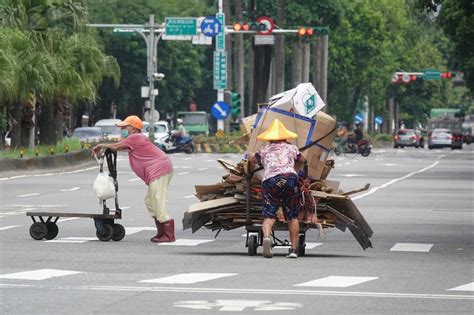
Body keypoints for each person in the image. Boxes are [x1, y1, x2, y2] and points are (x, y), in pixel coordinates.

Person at [91, 115, 175, 243]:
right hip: (159, 170)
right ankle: (161, 232)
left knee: (157, 200)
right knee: (150, 201)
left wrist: (100, 145)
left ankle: (169, 235)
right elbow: (121, 146)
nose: (124, 128)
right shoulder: (135, 138)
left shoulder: (135, 137)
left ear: (134, 128)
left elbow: (116, 146)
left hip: (159, 170)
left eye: (126, 126)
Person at [249, 119, 304, 259]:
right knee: (292, 216)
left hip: (271, 181)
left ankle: (267, 237)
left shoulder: (264, 149)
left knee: (269, 215)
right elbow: (302, 160)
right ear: (285, 136)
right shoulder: (292, 148)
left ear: (270, 137)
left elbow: (253, 160)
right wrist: (296, 170)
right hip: (290, 179)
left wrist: (251, 155)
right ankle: (293, 250)